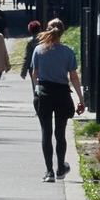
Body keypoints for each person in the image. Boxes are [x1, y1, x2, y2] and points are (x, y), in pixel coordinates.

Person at [29, 24, 85, 181]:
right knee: (60, 133)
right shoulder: (68, 52)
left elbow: (35, 74)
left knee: (46, 132)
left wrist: (36, 90)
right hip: (62, 94)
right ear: (63, 32)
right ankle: (61, 167)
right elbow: (73, 77)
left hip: (44, 94)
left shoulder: (38, 50)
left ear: (48, 29)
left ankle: (49, 172)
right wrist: (81, 99)